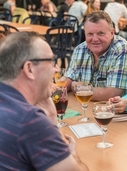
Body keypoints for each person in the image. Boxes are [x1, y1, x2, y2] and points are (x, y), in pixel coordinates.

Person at [0, 31, 88, 170]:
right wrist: (73, 155)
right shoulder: (29, 120)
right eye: (52, 61)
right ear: (29, 68)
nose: (57, 69)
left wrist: (52, 118)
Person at [65, 11, 127, 101]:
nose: (94, 39)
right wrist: (56, 88)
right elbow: (69, 79)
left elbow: (111, 94)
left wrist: (77, 88)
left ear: (112, 33)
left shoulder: (124, 50)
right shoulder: (80, 49)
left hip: (124, 112)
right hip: (91, 108)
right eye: (90, 34)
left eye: (100, 33)